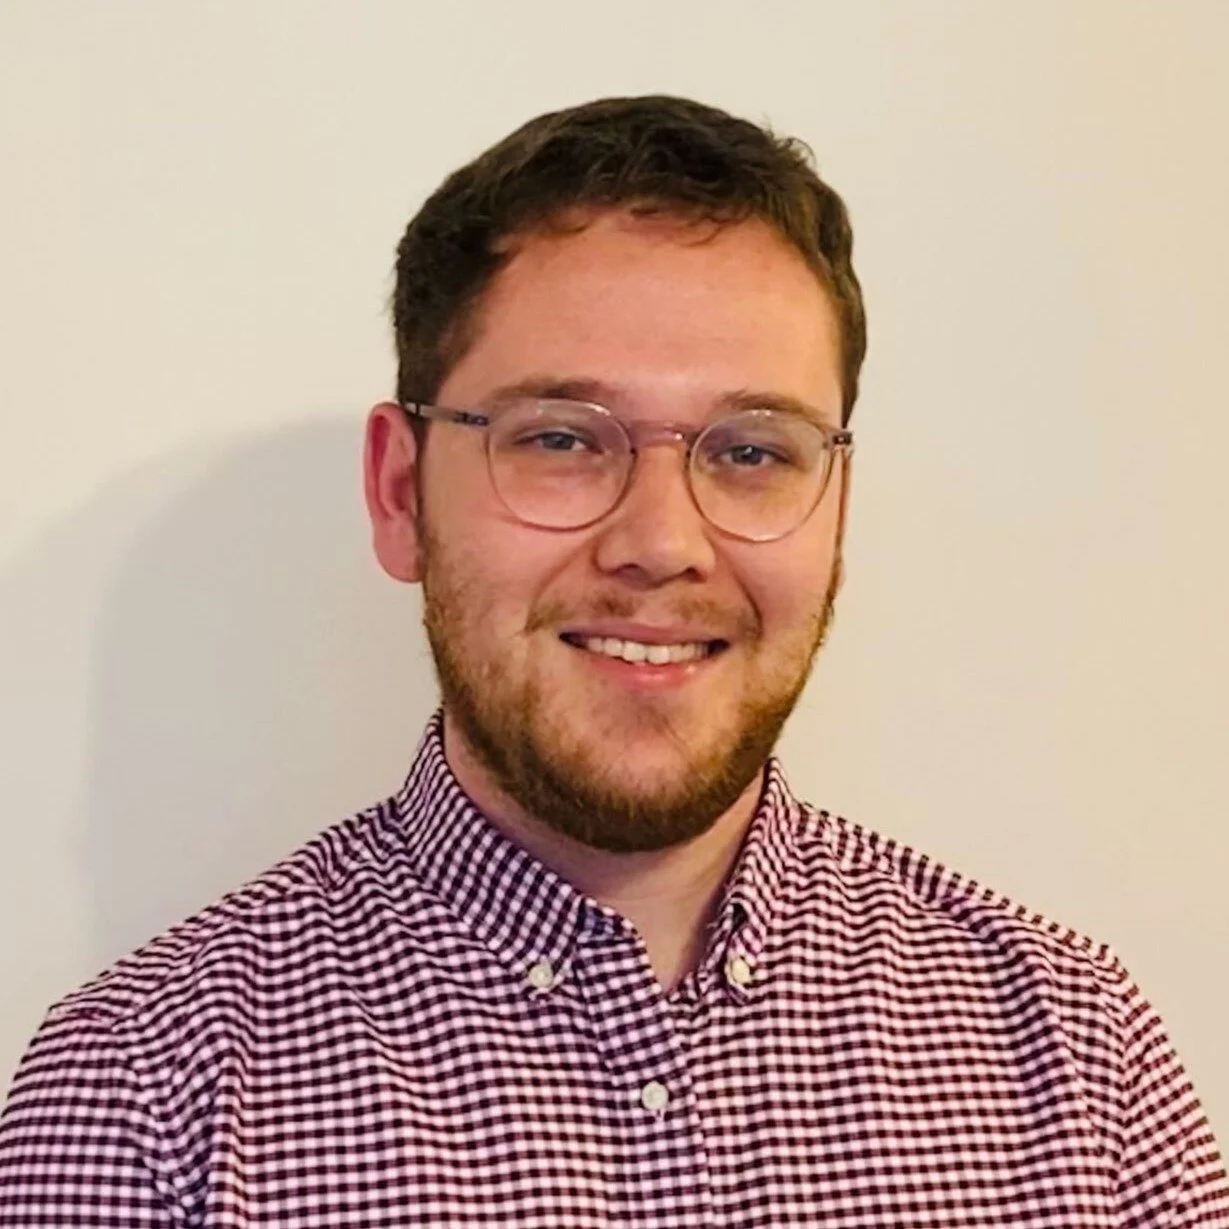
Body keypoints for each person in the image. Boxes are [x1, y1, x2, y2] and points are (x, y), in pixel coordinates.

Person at [0, 95, 1225, 1228]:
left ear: (835, 501)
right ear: (396, 491)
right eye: (558, 437)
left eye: (752, 450)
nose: (659, 544)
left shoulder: (1076, 1063)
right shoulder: (146, 1098)